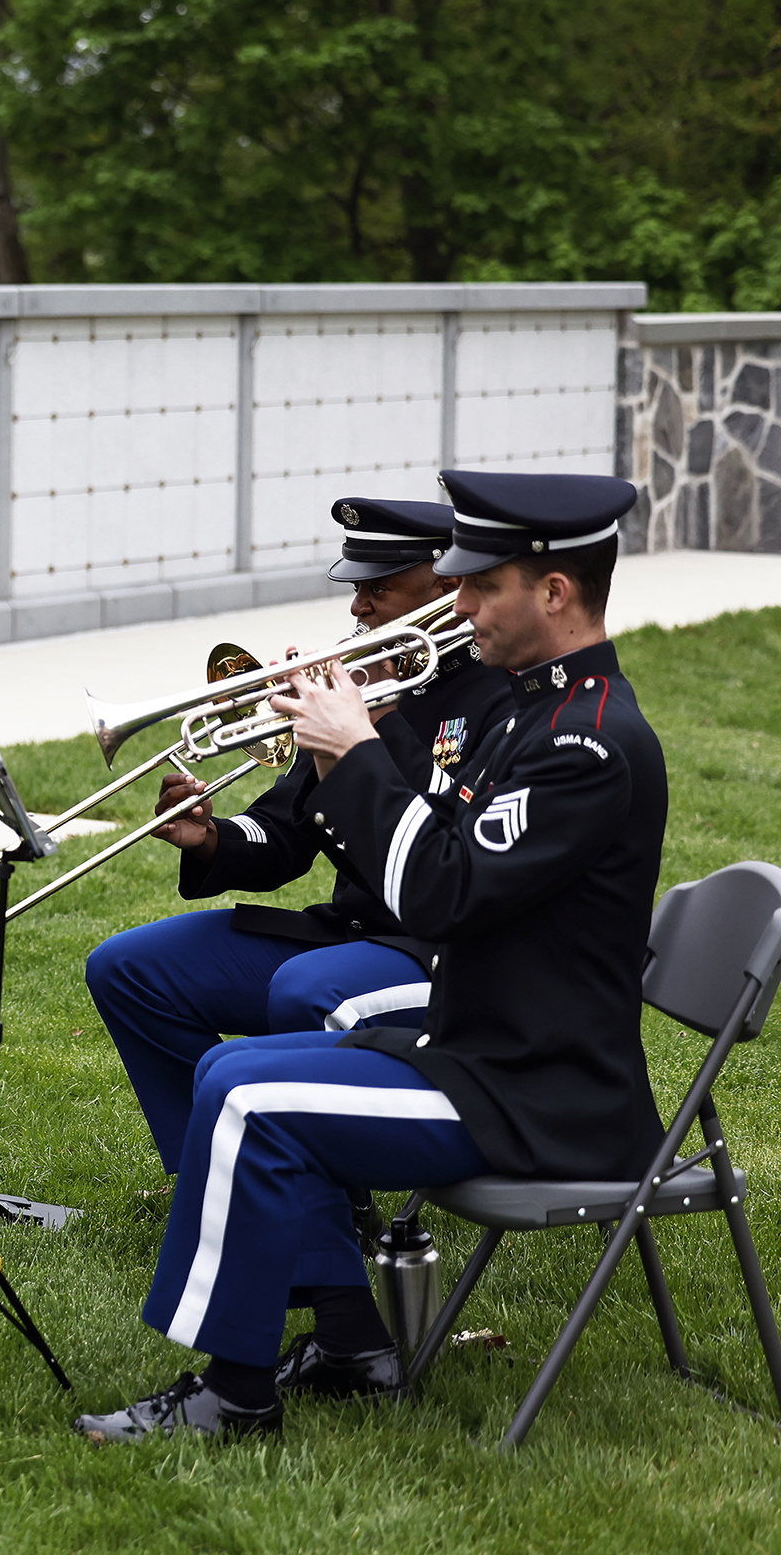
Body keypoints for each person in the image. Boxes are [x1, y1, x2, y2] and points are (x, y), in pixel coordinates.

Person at [74, 470, 663, 1444]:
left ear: (554, 591)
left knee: (255, 1098)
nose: (460, 603)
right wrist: (346, 750)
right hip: (480, 1050)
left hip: (538, 1090)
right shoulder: (534, 711)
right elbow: (434, 844)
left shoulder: (587, 743)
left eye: (483, 586)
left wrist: (357, 751)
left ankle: (236, 1394)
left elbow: (437, 893)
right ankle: (342, 1338)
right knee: (227, 1066)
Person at [84, 498, 512, 1172]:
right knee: (127, 969)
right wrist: (209, 836)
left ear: (443, 584)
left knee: (306, 988)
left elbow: (448, 839)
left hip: (431, 951)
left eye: (378, 588)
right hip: (345, 934)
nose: (358, 608)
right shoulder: (370, 679)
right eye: (356, 588)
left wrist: (371, 726)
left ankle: (314, 1189)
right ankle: (216, 1166)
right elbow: (284, 831)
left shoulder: (496, 694)